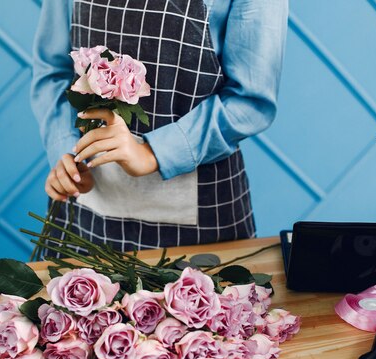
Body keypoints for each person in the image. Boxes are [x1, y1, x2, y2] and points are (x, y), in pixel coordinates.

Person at [31, 0, 289, 253]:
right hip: (85, 210)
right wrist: (65, 153)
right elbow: (53, 70)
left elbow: (250, 100)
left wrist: (153, 153)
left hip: (202, 215)